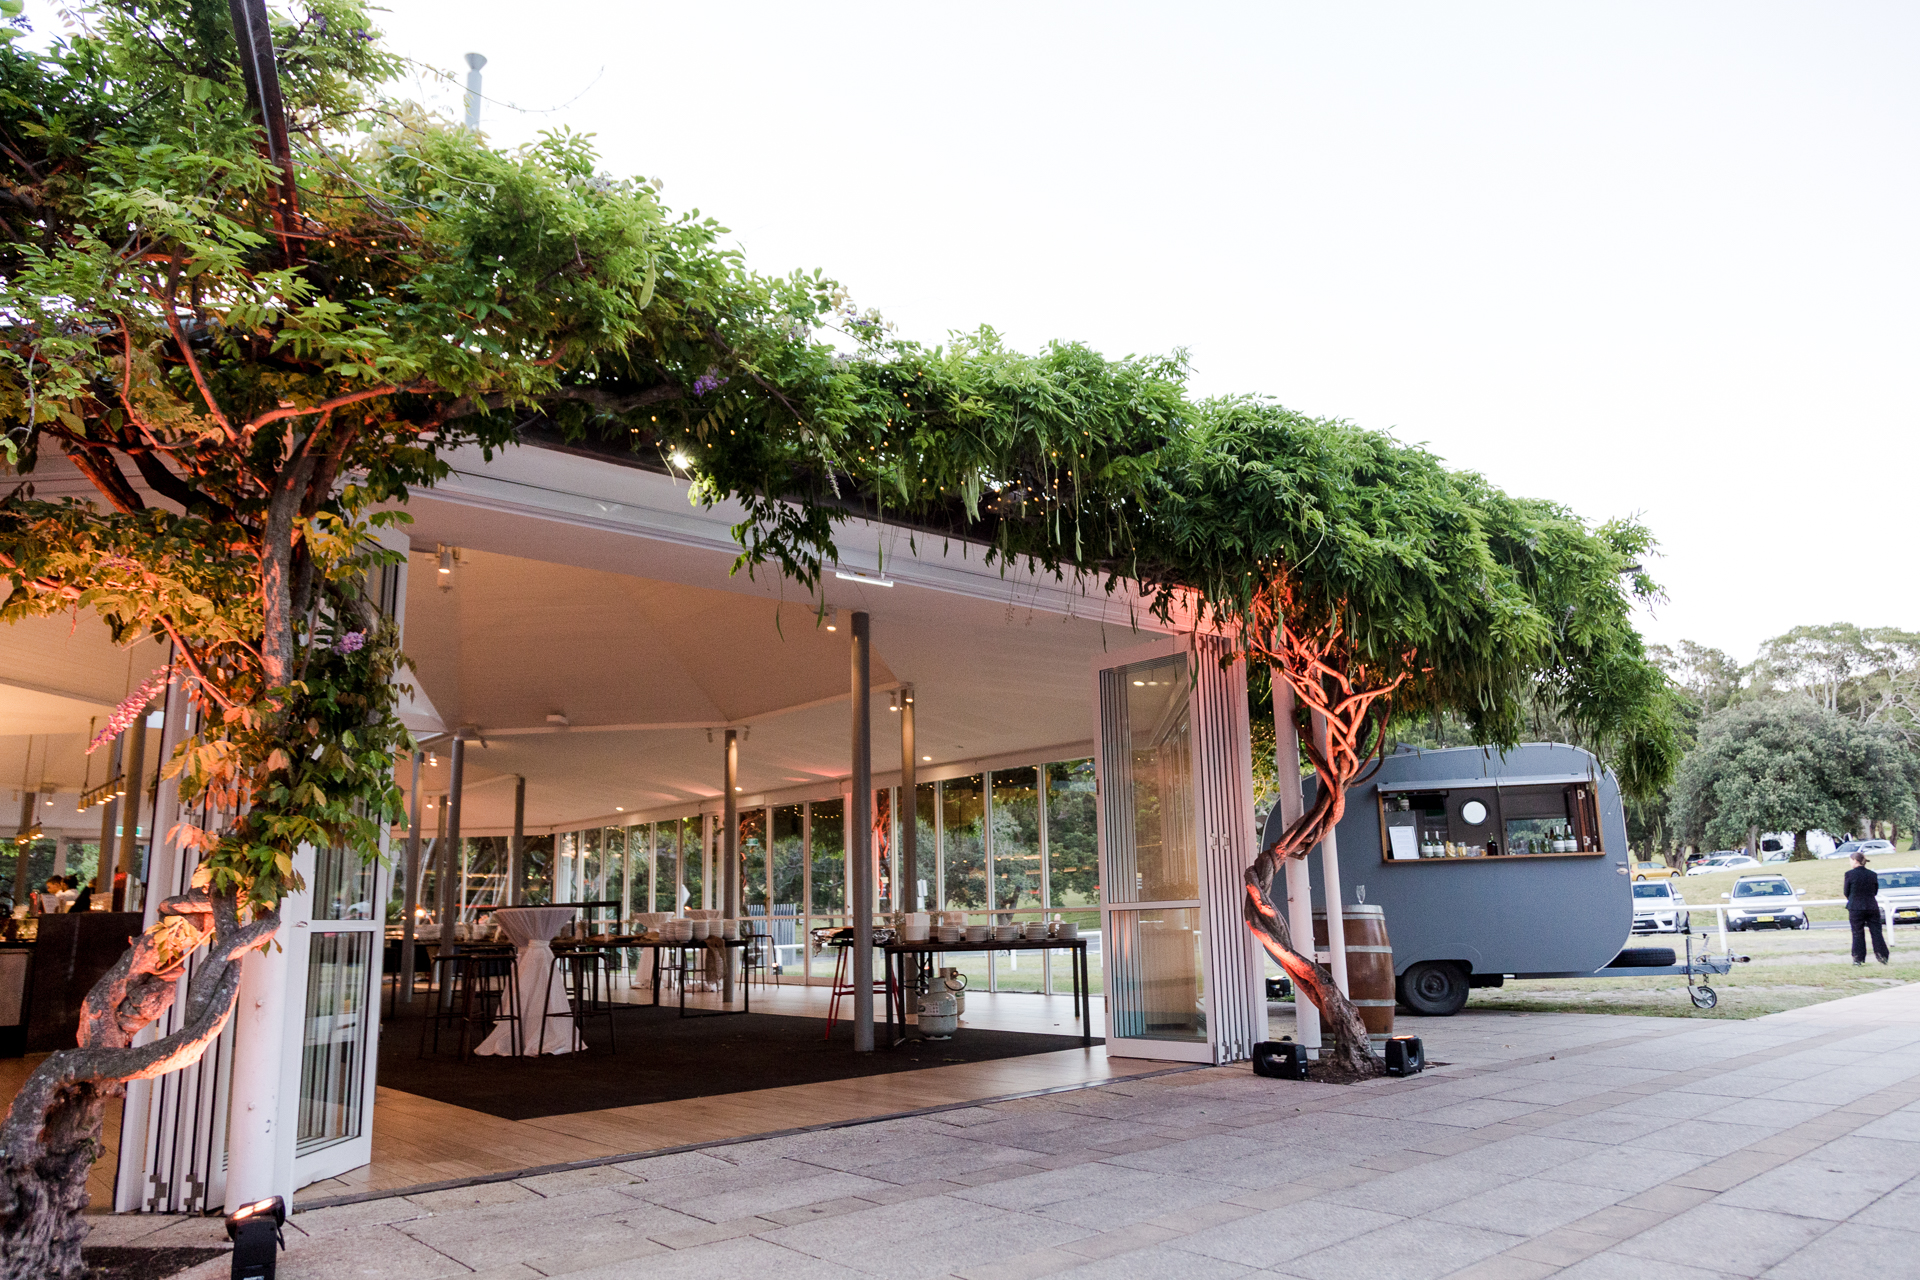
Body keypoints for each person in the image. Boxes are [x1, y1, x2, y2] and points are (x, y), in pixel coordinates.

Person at [1845, 850, 1890, 966]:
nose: (1850, 863)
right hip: (1871, 906)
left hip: (1856, 907)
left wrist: (1854, 898)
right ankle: (1882, 956)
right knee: (1876, 932)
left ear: (1855, 861)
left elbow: (1846, 892)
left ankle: (1858, 958)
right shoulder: (1872, 874)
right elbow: (1875, 891)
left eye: (1851, 861)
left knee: (1857, 933)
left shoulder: (1849, 874)